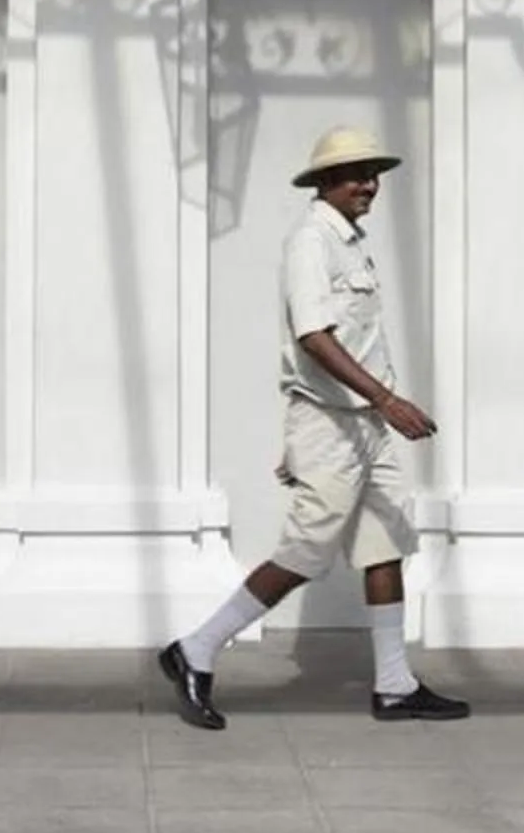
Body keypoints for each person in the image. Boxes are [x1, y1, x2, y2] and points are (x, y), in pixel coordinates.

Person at [156, 126, 468, 729]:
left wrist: (375, 409)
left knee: (385, 546)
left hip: (363, 425)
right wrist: (384, 400)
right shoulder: (311, 242)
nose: (369, 186)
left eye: (373, 175)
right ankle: (195, 649)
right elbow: (313, 338)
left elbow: (352, 338)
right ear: (325, 181)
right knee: (304, 553)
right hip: (334, 424)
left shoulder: (351, 242)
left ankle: (395, 684)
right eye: (356, 176)